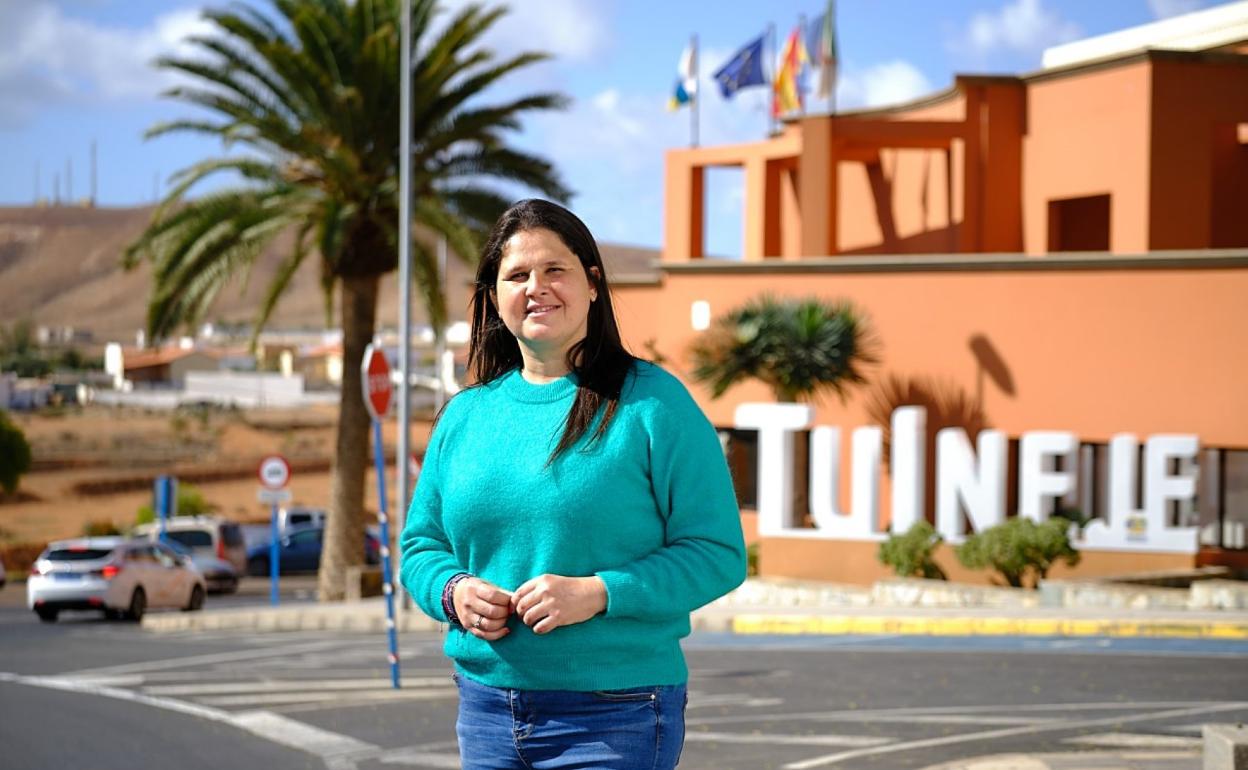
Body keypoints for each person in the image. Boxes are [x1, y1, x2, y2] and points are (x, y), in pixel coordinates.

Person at [399, 198, 747, 770]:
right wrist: (453, 591)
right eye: (517, 275)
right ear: (494, 297)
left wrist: (598, 593)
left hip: (617, 711)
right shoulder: (464, 415)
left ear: (592, 284)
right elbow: (421, 545)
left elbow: (717, 553)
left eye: (554, 270)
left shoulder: (653, 404)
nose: (536, 287)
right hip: (485, 711)